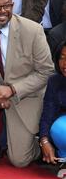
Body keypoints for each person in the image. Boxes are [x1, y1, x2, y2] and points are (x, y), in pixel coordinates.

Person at [0, 0, 54, 167]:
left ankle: (42, 140)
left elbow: (46, 71)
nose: (3, 11)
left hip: (24, 95)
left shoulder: (33, 30)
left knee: (19, 160)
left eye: (7, 5)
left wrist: (12, 90)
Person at [39, 40, 66, 170]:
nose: (64, 63)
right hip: (63, 124)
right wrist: (44, 140)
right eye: (62, 57)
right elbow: (47, 114)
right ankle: (63, 157)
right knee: (59, 128)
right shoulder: (54, 81)